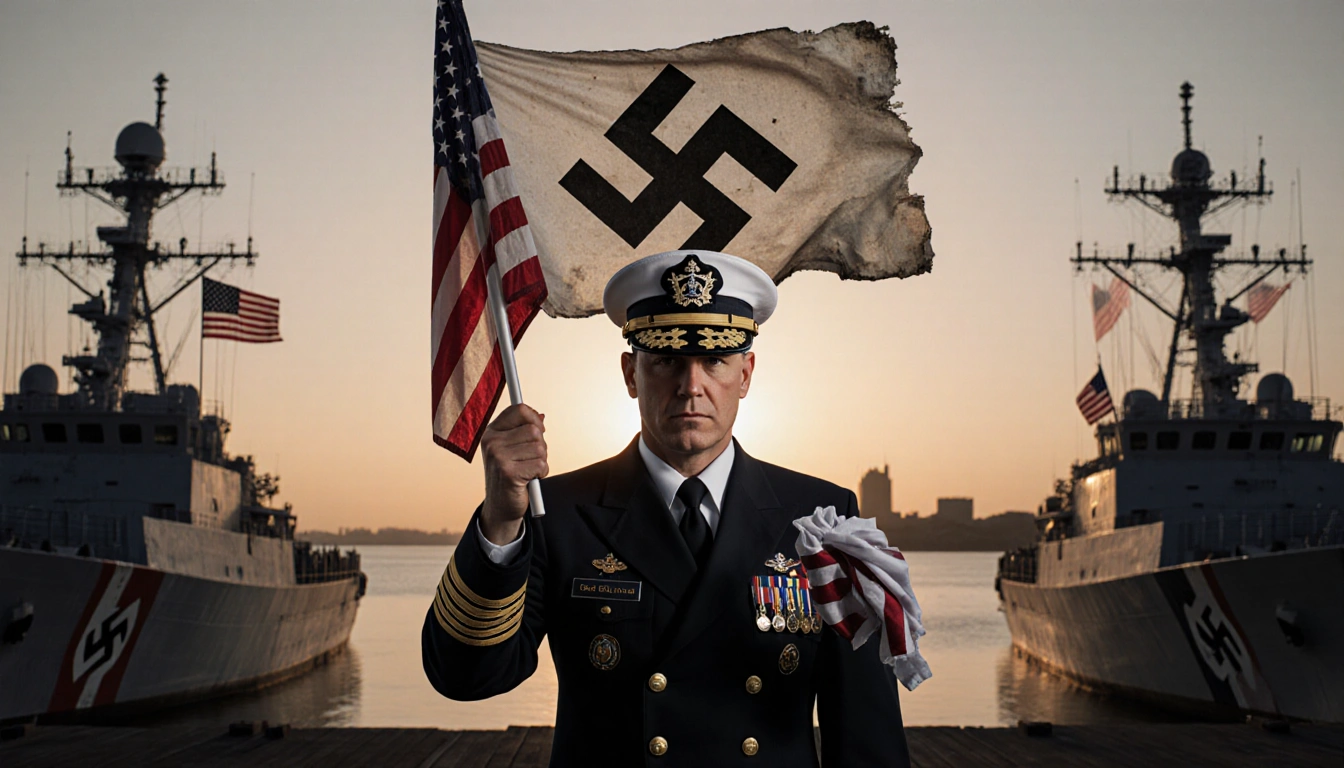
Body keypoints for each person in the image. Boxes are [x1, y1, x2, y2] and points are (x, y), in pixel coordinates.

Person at [422, 250, 910, 766]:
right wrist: (500, 520)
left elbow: (864, 733)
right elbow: (466, 676)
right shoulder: (556, 513)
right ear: (631, 373)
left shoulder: (824, 517)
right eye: (667, 360)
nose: (690, 385)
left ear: (746, 374)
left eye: (715, 360)